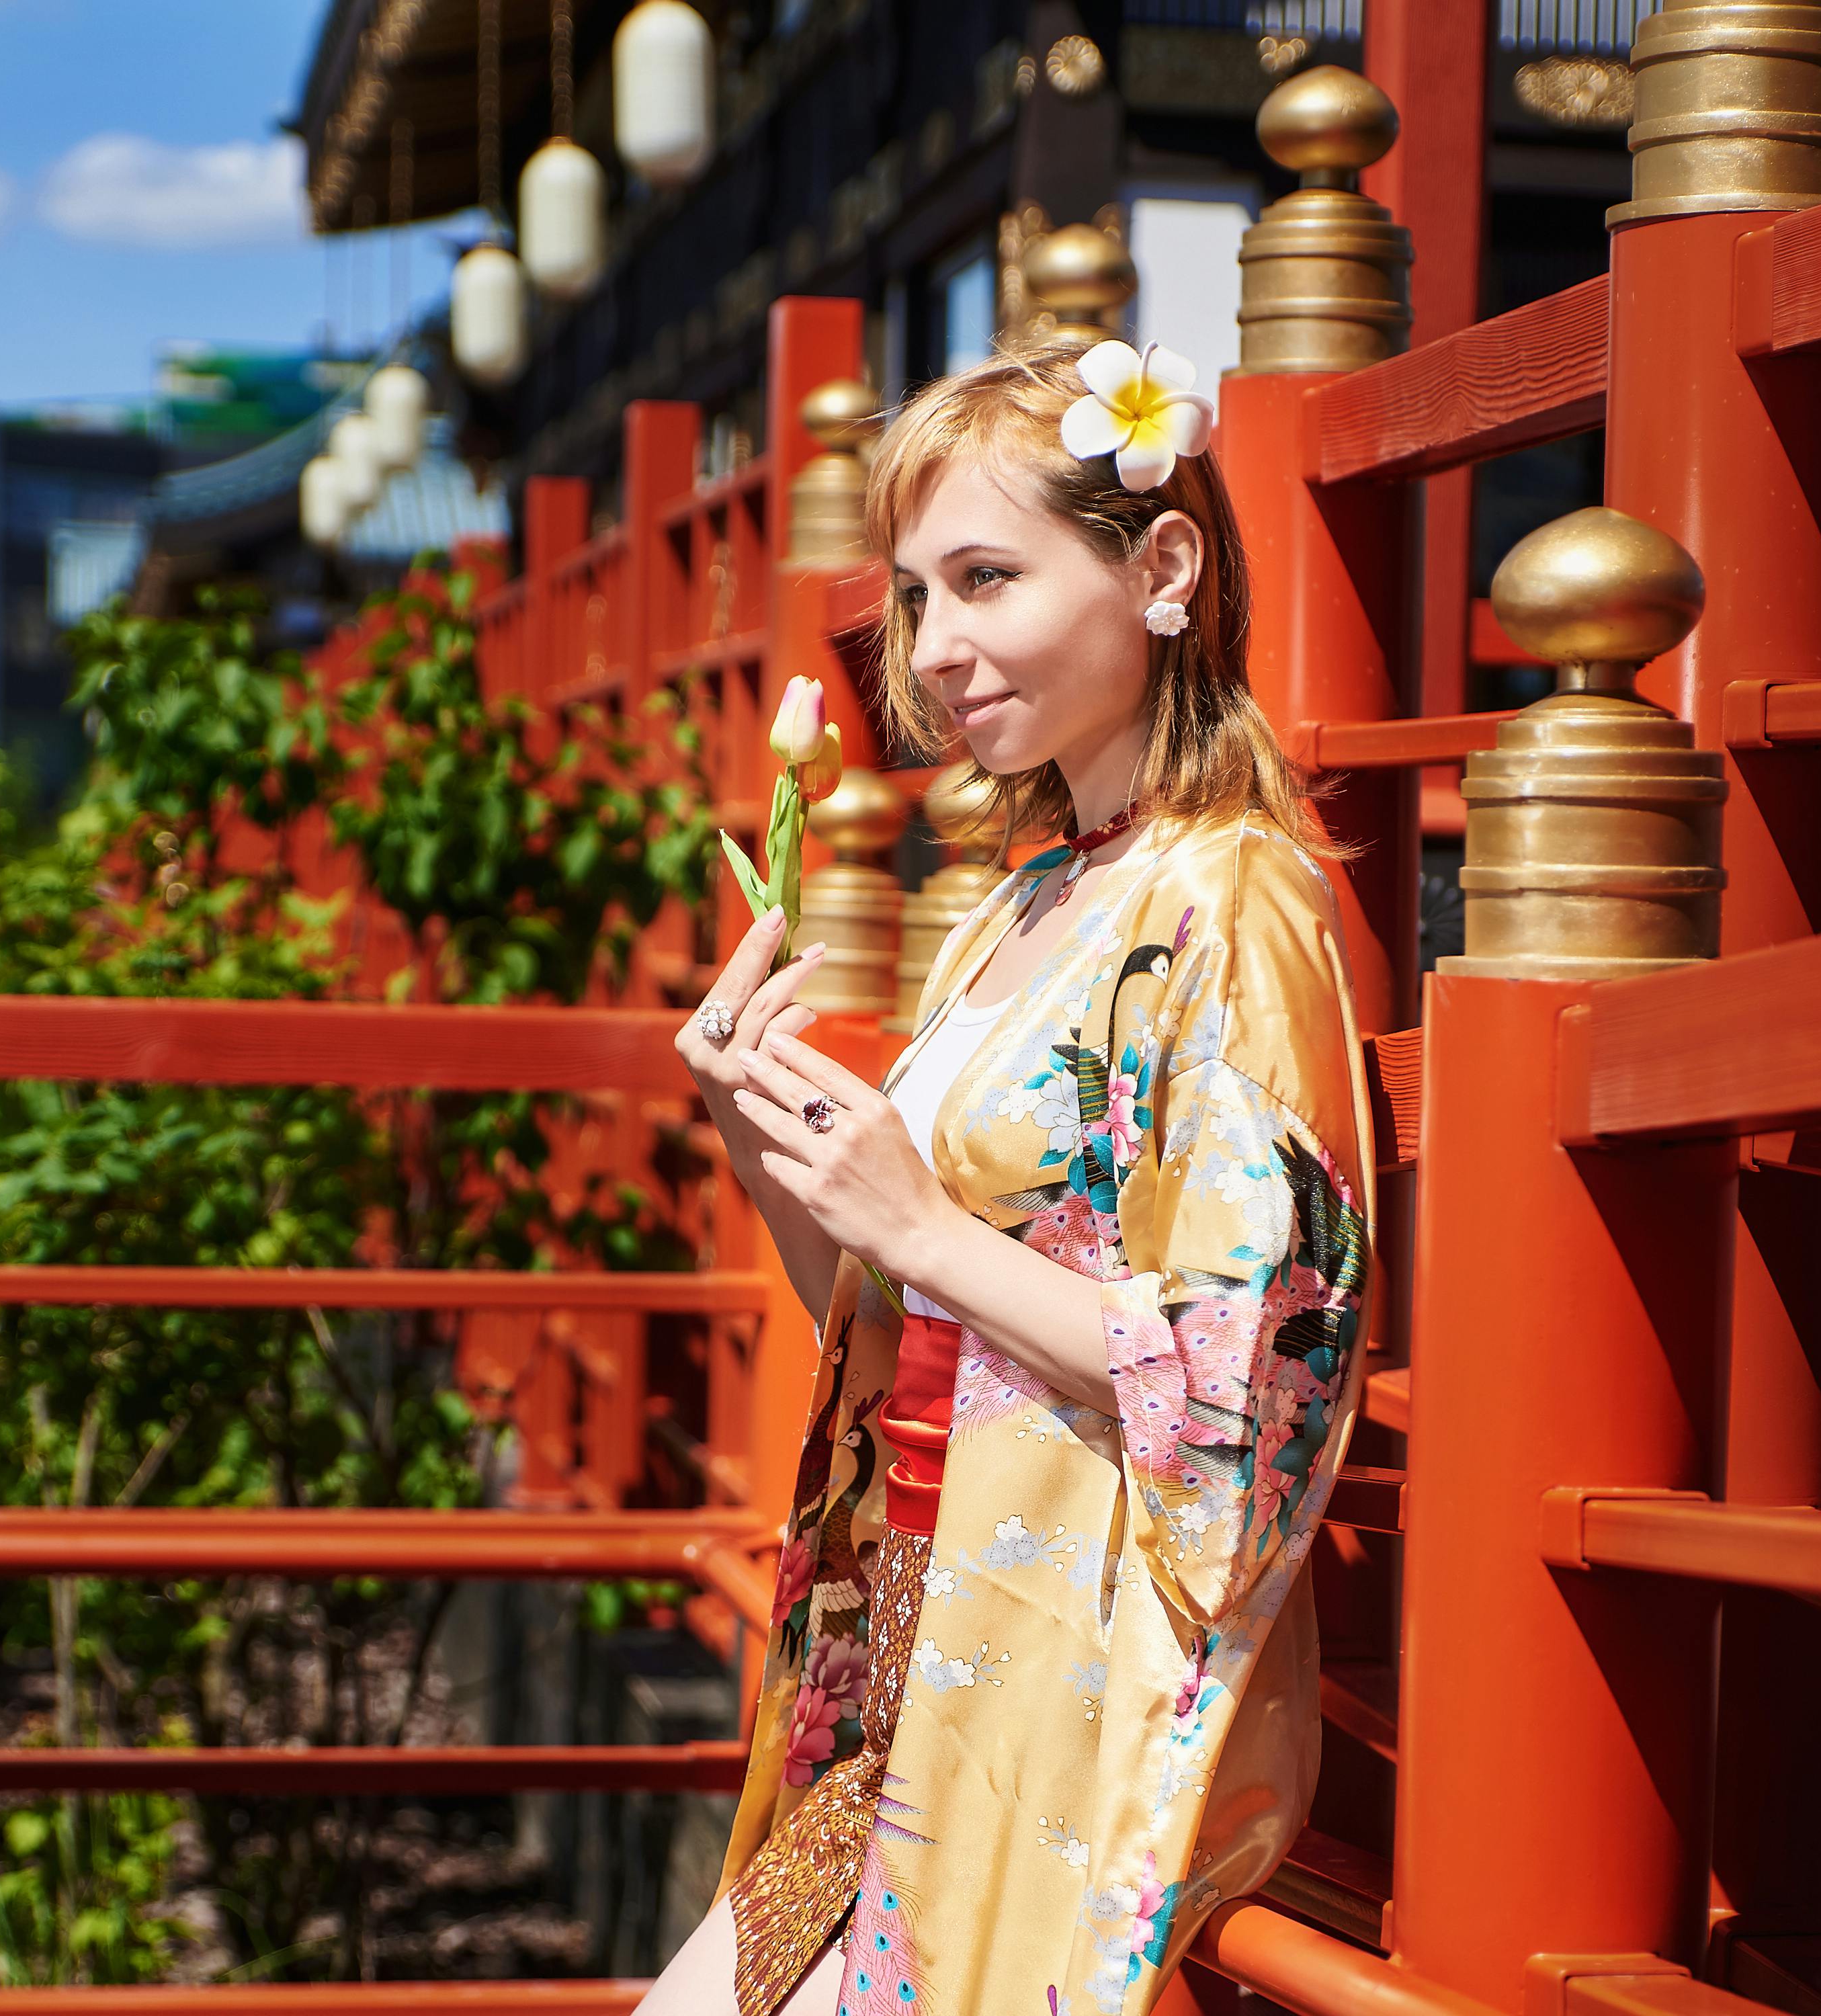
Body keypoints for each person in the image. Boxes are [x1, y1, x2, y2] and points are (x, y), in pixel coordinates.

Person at [647, 335, 1376, 2016]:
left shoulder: (1232, 905)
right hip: (911, 1614)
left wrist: (915, 1222)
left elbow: (1255, 1382)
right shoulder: (1023, 901)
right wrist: (766, 1129)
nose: (938, 646)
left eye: (987, 577)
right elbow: (876, 1299)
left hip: (1062, 1650)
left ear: (1165, 567)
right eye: (916, 596)